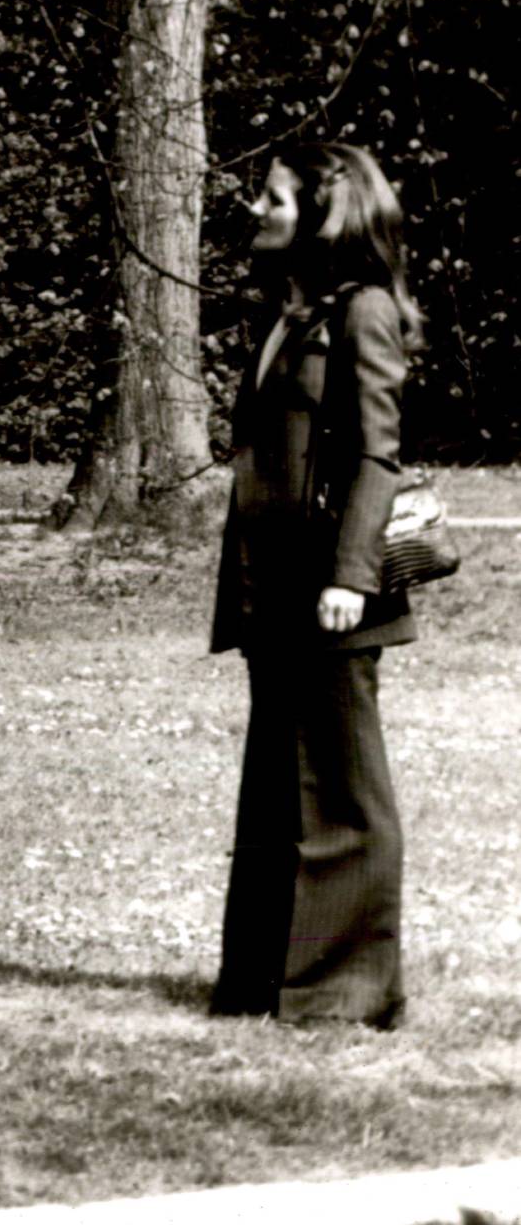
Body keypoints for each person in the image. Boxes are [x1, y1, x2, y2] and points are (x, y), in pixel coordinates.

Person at [209, 142, 422, 1028]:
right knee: (275, 786)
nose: (257, 209)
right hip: (276, 588)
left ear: (324, 215)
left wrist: (351, 577)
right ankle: (264, 984)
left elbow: (377, 453)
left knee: (342, 789)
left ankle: (347, 990)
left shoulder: (365, 312)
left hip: (334, 590)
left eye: (275, 200)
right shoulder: (293, 313)